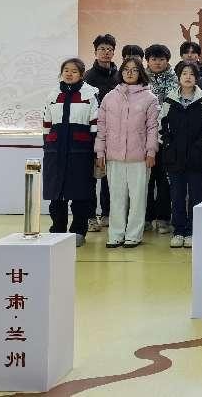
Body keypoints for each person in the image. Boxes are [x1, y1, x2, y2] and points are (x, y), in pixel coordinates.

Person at [95, 56, 159, 249]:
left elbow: (153, 128)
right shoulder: (109, 97)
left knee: (138, 198)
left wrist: (151, 151)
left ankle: (133, 235)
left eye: (134, 70)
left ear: (141, 73)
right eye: (126, 69)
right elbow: (101, 127)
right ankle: (116, 234)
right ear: (121, 72)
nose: (130, 73)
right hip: (114, 156)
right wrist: (100, 152)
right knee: (116, 197)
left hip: (139, 157)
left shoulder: (150, 98)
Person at [42, 58, 100, 247]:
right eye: (66, 70)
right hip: (55, 151)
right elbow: (47, 123)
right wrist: (48, 146)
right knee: (56, 195)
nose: (69, 74)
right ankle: (57, 230)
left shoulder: (90, 94)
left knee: (80, 194)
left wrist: (95, 152)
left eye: (74, 71)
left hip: (80, 152)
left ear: (81, 74)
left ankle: (78, 231)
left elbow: (95, 125)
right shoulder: (53, 94)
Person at [158, 62, 202, 248]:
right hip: (174, 157)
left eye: (191, 74)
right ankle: (179, 230)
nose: (188, 77)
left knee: (197, 195)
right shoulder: (169, 100)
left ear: (196, 78)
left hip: (197, 156)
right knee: (177, 195)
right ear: (179, 77)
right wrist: (169, 145)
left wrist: (200, 145)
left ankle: (193, 231)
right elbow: (161, 127)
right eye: (184, 73)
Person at [84, 33, 118, 233]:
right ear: (95, 52)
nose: (106, 53)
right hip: (92, 133)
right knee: (89, 177)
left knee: (109, 177)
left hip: (114, 133)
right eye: (102, 49)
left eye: (109, 49)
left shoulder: (119, 76)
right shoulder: (87, 77)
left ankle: (107, 213)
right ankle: (90, 216)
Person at [144, 44, 178, 235]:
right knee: (146, 180)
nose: (157, 62)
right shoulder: (140, 80)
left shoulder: (176, 80)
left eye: (161, 59)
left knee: (165, 180)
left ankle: (163, 218)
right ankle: (147, 218)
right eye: (154, 59)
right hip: (144, 137)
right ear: (147, 61)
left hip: (168, 137)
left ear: (167, 61)